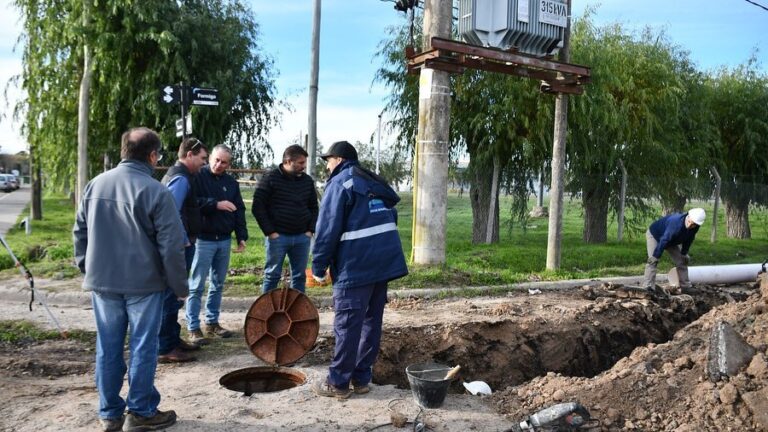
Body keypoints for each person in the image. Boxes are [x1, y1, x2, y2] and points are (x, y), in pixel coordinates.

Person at [73, 127, 186, 432]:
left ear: (124, 151)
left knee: (107, 347)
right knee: (143, 347)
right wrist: (180, 287)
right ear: (152, 155)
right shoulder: (155, 191)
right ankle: (140, 412)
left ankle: (109, 414)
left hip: (103, 282)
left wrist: (88, 267)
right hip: (144, 284)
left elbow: (79, 232)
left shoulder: (95, 184)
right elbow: (172, 246)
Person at [310, 141, 408, 399]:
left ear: (339, 160)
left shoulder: (341, 182)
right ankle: (361, 378)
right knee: (370, 322)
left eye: (328, 160)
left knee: (348, 324)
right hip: (382, 265)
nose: (327, 166)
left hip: (355, 267)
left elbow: (327, 229)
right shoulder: (373, 182)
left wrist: (319, 266)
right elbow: (391, 215)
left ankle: (338, 383)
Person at [186, 144, 248, 343]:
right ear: (210, 158)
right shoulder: (196, 177)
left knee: (218, 284)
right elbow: (191, 202)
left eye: (224, 162)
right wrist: (215, 204)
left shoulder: (231, 183)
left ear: (229, 164)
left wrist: (241, 236)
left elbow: (239, 210)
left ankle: (212, 322)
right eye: (216, 160)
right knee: (196, 286)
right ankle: (193, 326)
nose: (219, 165)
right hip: (203, 239)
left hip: (223, 239)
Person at [157, 137, 208, 363]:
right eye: (202, 158)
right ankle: (166, 347)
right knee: (172, 295)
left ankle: (172, 339)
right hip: (178, 247)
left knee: (175, 296)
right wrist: (183, 240)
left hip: (178, 244)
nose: (204, 163)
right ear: (189, 154)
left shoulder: (181, 175)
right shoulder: (180, 178)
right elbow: (171, 212)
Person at [252, 145, 319, 293]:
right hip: (278, 237)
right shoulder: (270, 178)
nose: (304, 166)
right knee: (272, 275)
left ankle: (297, 312)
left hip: (302, 237)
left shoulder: (307, 181)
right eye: (301, 163)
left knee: (299, 276)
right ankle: (267, 311)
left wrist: (310, 230)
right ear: (288, 161)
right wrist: (270, 232)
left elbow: (314, 207)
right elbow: (258, 207)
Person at [642, 207, 706, 292]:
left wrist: (684, 253)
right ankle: (648, 286)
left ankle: (686, 286)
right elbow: (664, 240)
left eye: (693, 224)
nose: (690, 225)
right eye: (690, 222)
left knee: (682, 260)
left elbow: (689, 239)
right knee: (653, 261)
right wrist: (656, 255)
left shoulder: (695, 226)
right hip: (655, 235)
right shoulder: (676, 223)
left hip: (671, 240)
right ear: (688, 216)